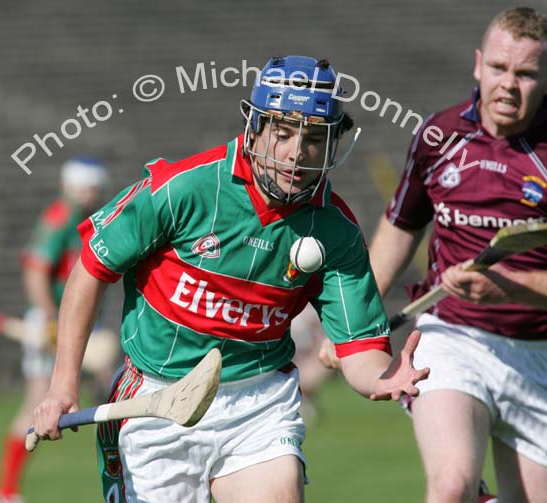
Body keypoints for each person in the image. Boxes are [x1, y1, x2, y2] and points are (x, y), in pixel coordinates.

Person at [33, 55, 429, 503]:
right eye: (282, 133)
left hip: (258, 399)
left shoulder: (335, 230)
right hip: (157, 399)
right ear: (254, 126)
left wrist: (382, 377)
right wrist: (63, 384)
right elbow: (92, 267)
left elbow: (359, 348)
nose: (297, 152)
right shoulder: (184, 188)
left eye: (315, 138)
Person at [368, 8, 547, 503]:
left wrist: (509, 287)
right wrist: (352, 323)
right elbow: (400, 228)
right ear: (477, 65)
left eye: (527, 73)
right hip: (450, 336)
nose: (508, 85)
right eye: (498, 68)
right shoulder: (438, 136)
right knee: (450, 486)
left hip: (538, 353)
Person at [0, 157, 109, 503]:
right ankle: (6, 492)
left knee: (112, 391)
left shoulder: (81, 219)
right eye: (86, 187)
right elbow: (35, 271)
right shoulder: (58, 219)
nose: (91, 194)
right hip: (52, 326)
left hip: (79, 323)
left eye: (94, 188)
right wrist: (49, 319)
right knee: (36, 402)